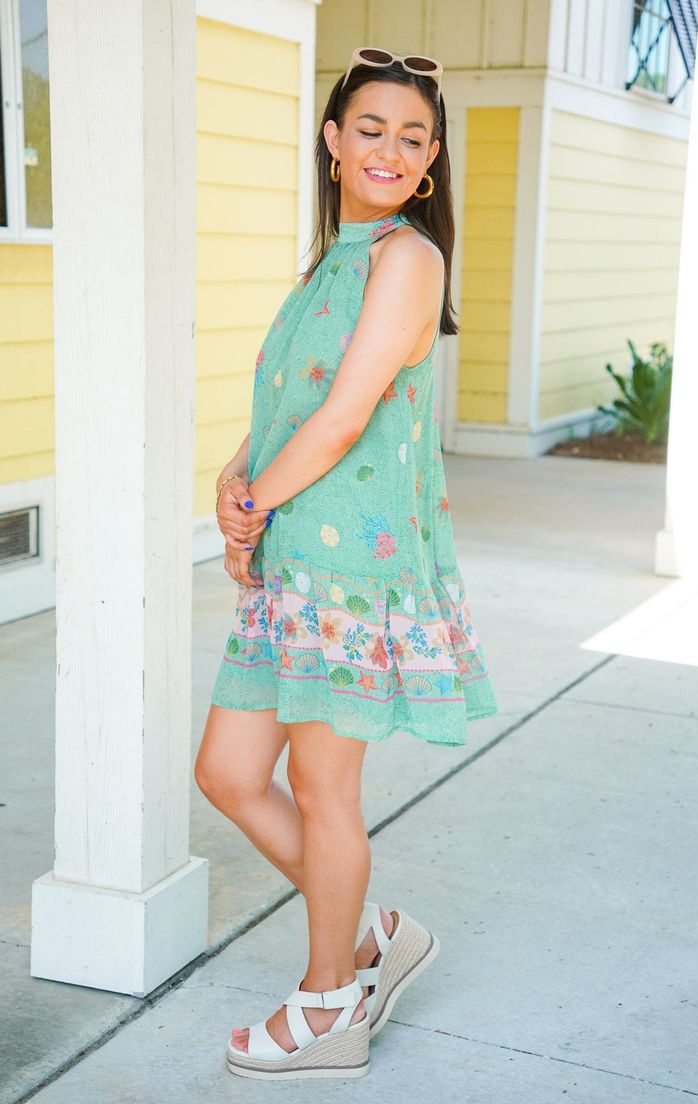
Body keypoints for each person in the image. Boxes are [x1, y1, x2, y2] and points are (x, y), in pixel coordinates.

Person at [194, 46, 499, 1081]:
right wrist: (236, 482)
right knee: (229, 774)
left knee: (323, 789)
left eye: (412, 138)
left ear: (429, 164)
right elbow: (282, 408)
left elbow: (343, 414)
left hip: (350, 572)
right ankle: (372, 936)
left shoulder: (408, 259)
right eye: (370, 128)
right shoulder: (332, 263)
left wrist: (254, 508)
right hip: (294, 562)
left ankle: (331, 1004)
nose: (390, 149)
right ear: (332, 143)